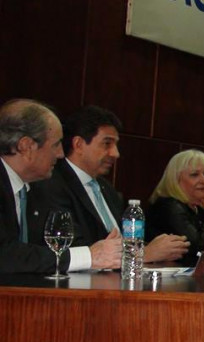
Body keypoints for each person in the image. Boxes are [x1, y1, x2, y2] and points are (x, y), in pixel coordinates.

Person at [28, 105, 189, 262]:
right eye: (107, 143)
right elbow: (71, 249)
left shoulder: (107, 189)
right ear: (78, 144)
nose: (116, 153)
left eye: (116, 145)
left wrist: (161, 248)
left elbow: (123, 240)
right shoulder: (51, 184)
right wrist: (144, 254)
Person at [0, 98, 121, 273]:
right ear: (26, 146)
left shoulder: (33, 189)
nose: (61, 154)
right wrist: (89, 256)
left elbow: (37, 252)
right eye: (56, 145)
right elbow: (6, 255)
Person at [145, 149, 204, 266]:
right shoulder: (169, 205)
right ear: (175, 179)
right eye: (195, 175)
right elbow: (197, 247)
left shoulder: (198, 208)